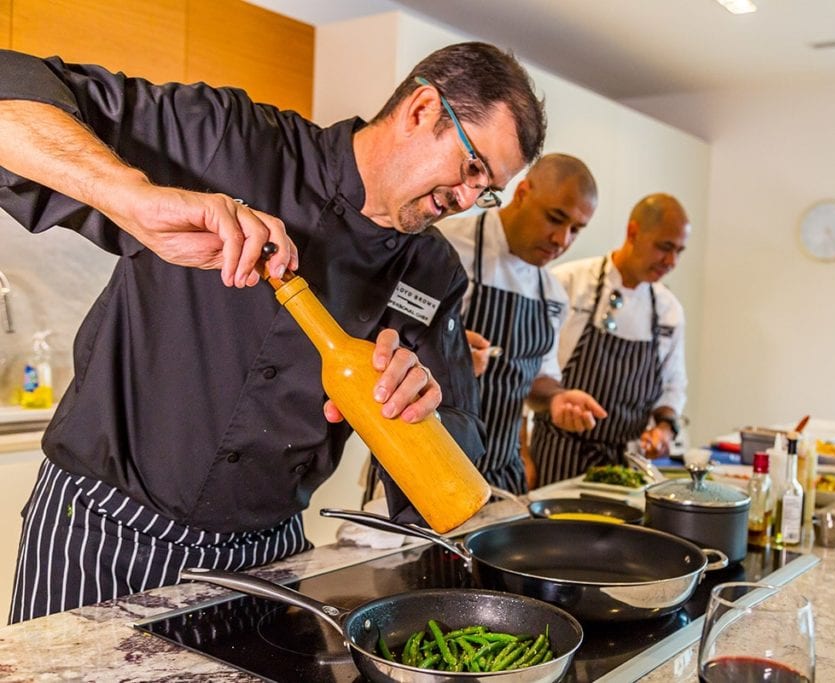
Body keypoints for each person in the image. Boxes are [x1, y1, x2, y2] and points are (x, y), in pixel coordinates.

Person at [0, 41, 545, 623]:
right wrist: (132, 196)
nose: (468, 200)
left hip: (265, 564)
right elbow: (12, 89)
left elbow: (456, 442)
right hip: (103, 532)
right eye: (473, 167)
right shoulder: (229, 141)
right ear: (420, 109)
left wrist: (420, 413)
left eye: (486, 190)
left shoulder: (433, 272)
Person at [436, 154, 606, 493]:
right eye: (555, 218)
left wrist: (557, 398)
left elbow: (538, 380)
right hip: (425, 474)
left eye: (576, 230)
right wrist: (444, 356)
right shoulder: (444, 248)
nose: (562, 240)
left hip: (502, 479)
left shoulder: (552, 293)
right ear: (524, 192)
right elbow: (380, 343)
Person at [531, 193, 690, 487]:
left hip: (628, 467)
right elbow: (530, 370)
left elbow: (673, 386)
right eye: (664, 247)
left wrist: (665, 429)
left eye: (679, 251)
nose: (671, 261)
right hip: (558, 456)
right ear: (633, 232)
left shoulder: (668, 310)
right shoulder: (566, 283)